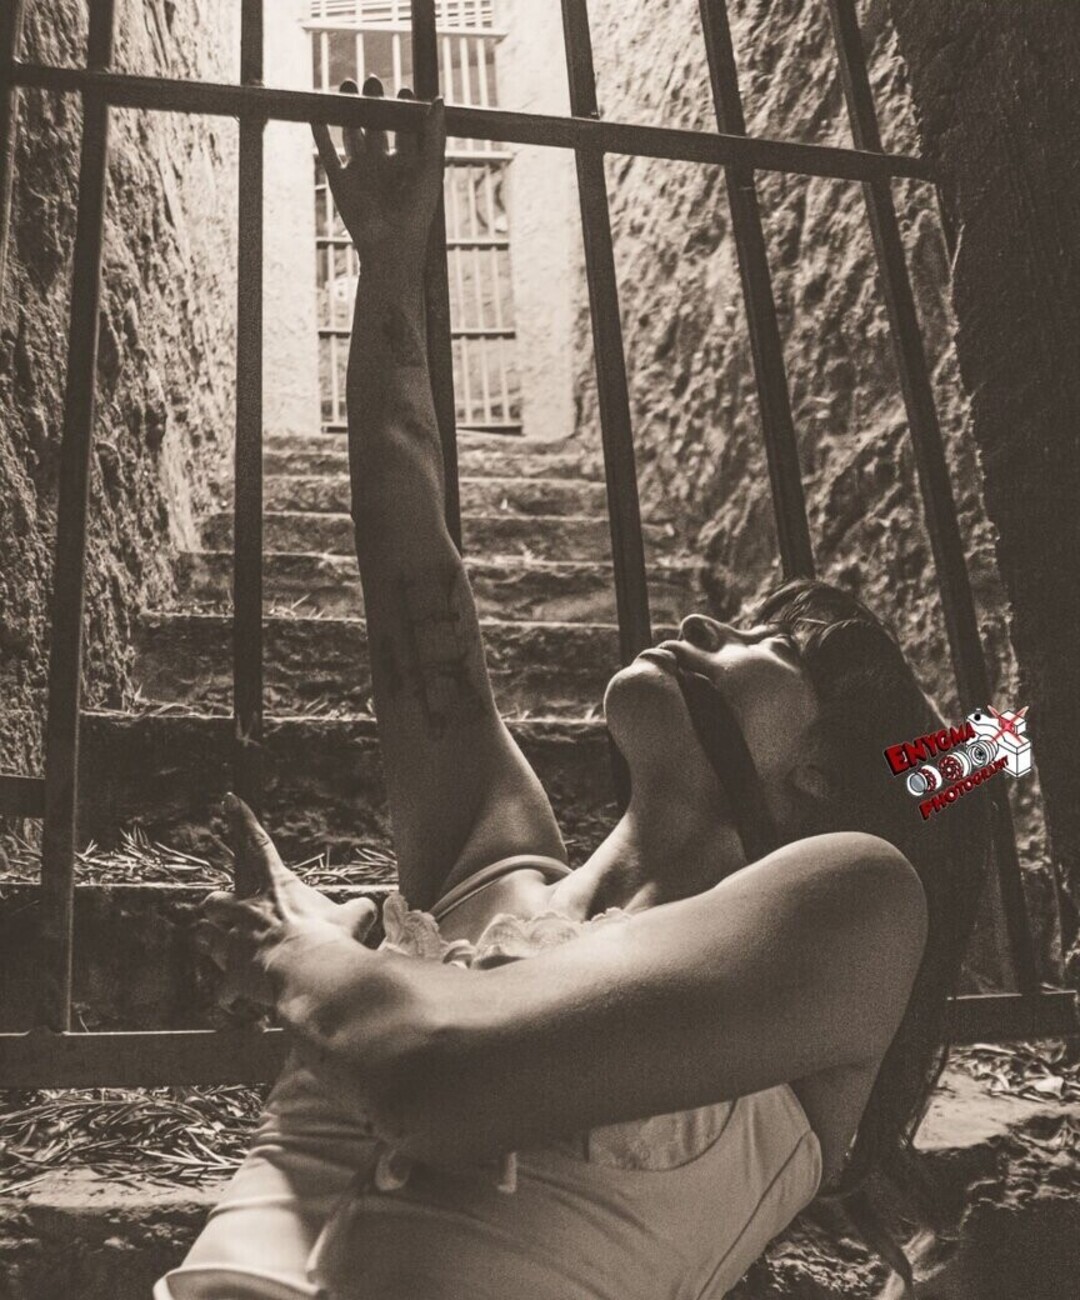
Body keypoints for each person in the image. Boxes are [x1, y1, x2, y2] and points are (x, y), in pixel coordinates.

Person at [155, 77, 989, 1300]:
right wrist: (389, 270)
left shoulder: (858, 905)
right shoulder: (492, 855)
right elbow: (407, 563)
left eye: (769, 640)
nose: (701, 621)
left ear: (822, 765)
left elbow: (436, 1076)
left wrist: (298, 949)